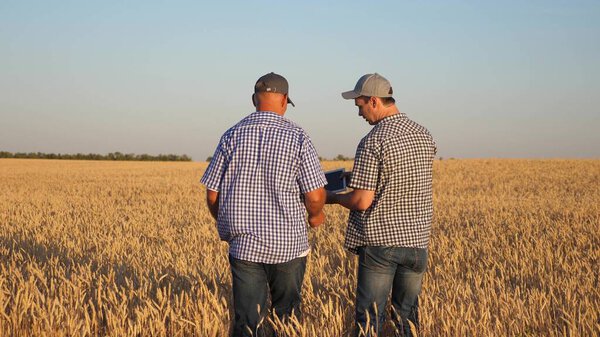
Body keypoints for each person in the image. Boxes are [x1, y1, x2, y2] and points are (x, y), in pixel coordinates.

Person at [201, 72, 327, 337]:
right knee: (287, 318)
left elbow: (213, 195)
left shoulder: (231, 135)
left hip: (245, 245)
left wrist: (225, 221)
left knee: (248, 322)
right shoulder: (298, 137)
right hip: (289, 245)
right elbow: (315, 196)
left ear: (253, 100)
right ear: (284, 100)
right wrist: (315, 217)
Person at [327, 73, 436, 337]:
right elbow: (399, 177)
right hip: (416, 244)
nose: (359, 113)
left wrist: (332, 197)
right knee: (407, 320)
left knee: (369, 320)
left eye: (360, 106)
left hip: (381, 243)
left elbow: (362, 201)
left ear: (374, 101)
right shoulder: (424, 135)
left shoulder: (373, 140)